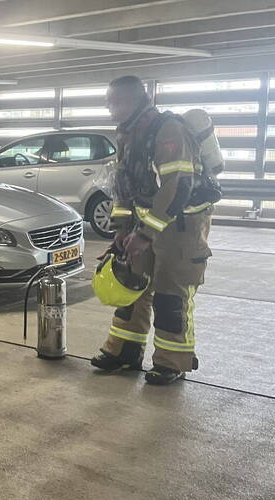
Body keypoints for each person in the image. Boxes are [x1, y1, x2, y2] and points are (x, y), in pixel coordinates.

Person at [90, 75, 214, 385]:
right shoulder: (128, 135)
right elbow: (124, 186)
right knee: (132, 288)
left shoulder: (168, 130)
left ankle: (171, 362)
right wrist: (122, 228)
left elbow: (178, 186)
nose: (108, 107)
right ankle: (124, 352)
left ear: (133, 100)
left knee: (171, 296)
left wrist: (146, 233)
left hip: (180, 227)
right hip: (145, 223)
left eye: (113, 101)